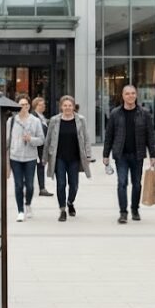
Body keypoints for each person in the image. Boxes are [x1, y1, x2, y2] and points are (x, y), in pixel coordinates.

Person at [102, 84, 155, 224]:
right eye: (127, 93)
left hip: (137, 154)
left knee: (137, 184)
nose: (130, 96)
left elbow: (150, 136)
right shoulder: (115, 113)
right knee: (122, 182)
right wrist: (105, 154)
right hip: (120, 154)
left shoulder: (144, 113)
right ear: (123, 95)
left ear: (136, 95)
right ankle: (123, 212)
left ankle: (135, 209)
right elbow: (109, 135)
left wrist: (153, 155)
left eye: (133, 93)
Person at [43, 95, 92, 223]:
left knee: (74, 185)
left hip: (75, 158)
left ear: (73, 107)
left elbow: (86, 138)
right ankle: (62, 209)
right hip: (59, 158)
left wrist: (88, 155)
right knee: (61, 184)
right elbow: (48, 140)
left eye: (70, 105)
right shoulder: (54, 120)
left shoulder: (81, 120)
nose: (67, 108)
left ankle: (70, 202)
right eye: (65, 105)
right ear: (61, 107)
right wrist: (45, 157)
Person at [6, 94, 42, 222]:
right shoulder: (11, 121)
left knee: (30, 186)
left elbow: (41, 140)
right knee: (18, 185)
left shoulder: (35, 121)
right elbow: (6, 141)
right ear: (17, 106)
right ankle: (20, 211)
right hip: (15, 157)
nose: (24, 107)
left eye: (26, 105)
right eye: (22, 105)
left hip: (30, 157)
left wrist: (30, 139)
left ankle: (28, 204)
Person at [30, 97, 53, 197]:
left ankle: (42, 188)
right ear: (36, 106)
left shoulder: (42, 117)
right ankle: (29, 188)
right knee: (31, 168)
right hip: (35, 147)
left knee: (41, 167)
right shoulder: (33, 117)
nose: (44, 106)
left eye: (44, 104)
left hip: (42, 147)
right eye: (41, 105)